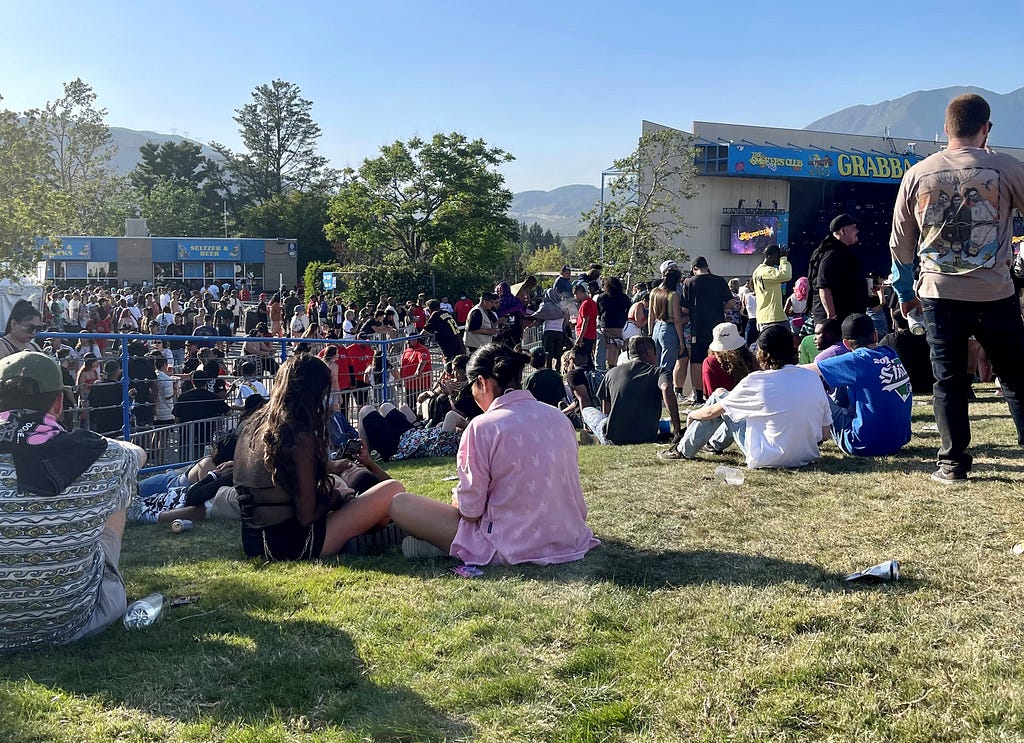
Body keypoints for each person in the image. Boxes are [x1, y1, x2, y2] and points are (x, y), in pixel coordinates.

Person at [890, 92, 1024, 483]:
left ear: (946, 129)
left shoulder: (917, 173)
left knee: (947, 379)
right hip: (994, 290)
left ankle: (953, 463)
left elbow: (900, 244)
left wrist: (904, 294)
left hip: (938, 292)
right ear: (986, 128)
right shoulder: (1005, 168)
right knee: (1015, 375)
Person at [389, 343, 600, 564]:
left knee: (400, 504)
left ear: (481, 382)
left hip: (507, 544)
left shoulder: (483, 427)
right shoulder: (558, 418)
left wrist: (458, 500)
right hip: (569, 536)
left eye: (471, 387)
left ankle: (448, 546)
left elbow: (470, 512)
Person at [0, 351, 145, 650]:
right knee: (119, 490)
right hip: (70, 623)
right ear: (58, 403)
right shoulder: (104, 457)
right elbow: (137, 454)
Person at [233, 354, 405, 561]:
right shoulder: (299, 436)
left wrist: (330, 469)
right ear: (313, 394)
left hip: (252, 541)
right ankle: (370, 536)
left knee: (360, 498)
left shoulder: (250, 426)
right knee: (393, 490)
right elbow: (307, 515)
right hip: (294, 543)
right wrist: (338, 498)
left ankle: (366, 535)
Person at [659, 325, 832, 468]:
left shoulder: (757, 381)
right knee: (724, 398)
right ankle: (713, 444)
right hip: (806, 456)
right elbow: (824, 435)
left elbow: (711, 413)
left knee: (720, 399)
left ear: (762, 352)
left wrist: (691, 415)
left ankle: (682, 450)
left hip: (768, 457)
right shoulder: (812, 378)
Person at [802, 313, 912, 457]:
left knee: (816, 387)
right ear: (875, 336)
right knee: (846, 380)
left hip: (861, 444)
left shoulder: (856, 360)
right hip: (899, 440)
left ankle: (816, 435)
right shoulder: (890, 353)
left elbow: (805, 371)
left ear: (846, 344)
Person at [578, 336, 681, 446]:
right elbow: (666, 388)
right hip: (648, 435)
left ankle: (596, 438)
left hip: (614, 437)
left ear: (628, 354)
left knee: (587, 410)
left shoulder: (611, 373)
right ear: (650, 352)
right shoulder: (659, 372)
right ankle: (595, 438)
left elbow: (606, 410)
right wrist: (677, 429)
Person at [681, 256, 736, 405]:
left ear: (694, 268)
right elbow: (731, 302)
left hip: (698, 327)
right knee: (721, 358)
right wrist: (720, 308)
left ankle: (699, 396)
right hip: (718, 327)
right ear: (707, 266)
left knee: (697, 362)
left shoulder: (689, 283)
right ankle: (723, 390)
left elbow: (684, 309)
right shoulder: (719, 280)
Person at [809, 214, 865, 324]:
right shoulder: (832, 254)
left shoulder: (841, 251)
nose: (857, 231)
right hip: (838, 319)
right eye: (853, 228)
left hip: (846, 316)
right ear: (843, 231)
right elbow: (824, 287)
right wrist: (831, 317)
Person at [751, 245, 792, 331]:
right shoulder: (767, 271)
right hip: (774, 317)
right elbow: (786, 276)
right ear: (769, 256)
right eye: (778, 256)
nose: (779, 259)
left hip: (763, 317)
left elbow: (781, 278)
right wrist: (784, 259)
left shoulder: (757, 271)